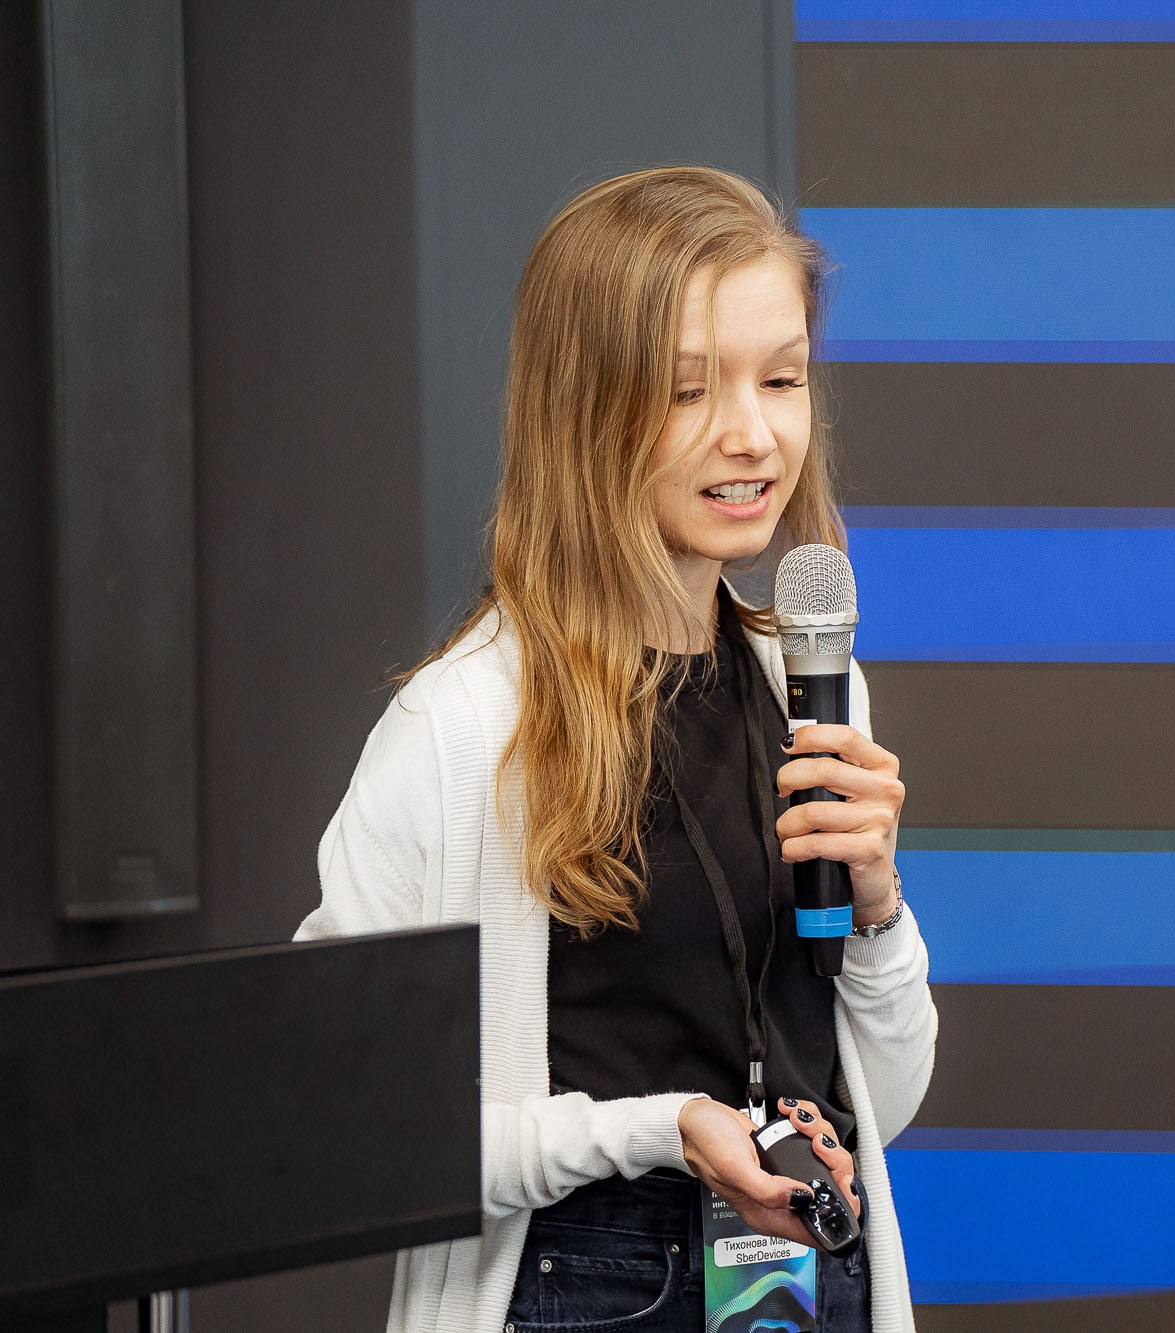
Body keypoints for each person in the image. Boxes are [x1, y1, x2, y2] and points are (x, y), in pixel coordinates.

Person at [297, 166, 936, 1333]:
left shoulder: (805, 687)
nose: (752, 434)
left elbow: (877, 1110)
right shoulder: (463, 728)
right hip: (580, 1282)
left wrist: (880, 913)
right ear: (582, 409)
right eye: (688, 392)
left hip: (802, 1279)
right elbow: (354, 1127)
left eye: (782, 379)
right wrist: (660, 1129)